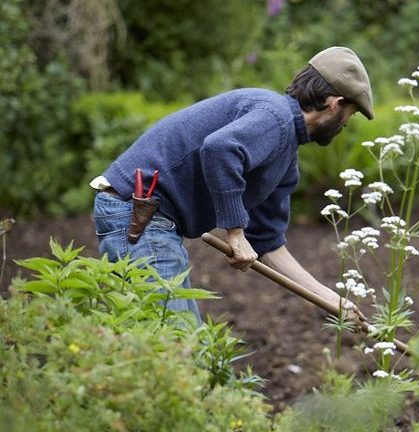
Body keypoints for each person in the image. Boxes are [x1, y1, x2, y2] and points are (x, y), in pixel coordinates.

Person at [91, 46, 374, 325]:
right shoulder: (275, 117)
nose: (347, 123)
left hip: (152, 221)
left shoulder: (286, 157)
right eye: (351, 112)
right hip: (138, 213)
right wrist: (235, 233)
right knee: (176, 343)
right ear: (334, 103)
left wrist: (330, 299)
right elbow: (219, 150)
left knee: (183, 343)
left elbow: (268, 241)